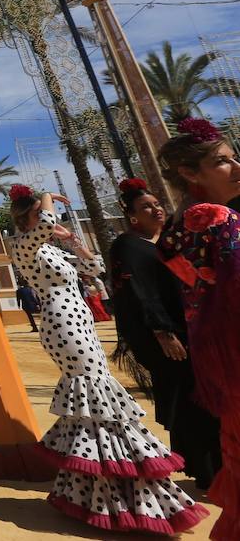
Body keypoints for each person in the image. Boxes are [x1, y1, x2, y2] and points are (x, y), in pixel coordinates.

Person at [6, 183, 203, 533]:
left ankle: (92, 489)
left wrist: (74, 243)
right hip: (63, 324)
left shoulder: (50, 249)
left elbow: (96, 269)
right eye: (39, 214)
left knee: (96, 404)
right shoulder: (23, 246)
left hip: (80, 322)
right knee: (97, 398)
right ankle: (112, 486)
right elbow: (48, 220)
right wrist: (48, 199)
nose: (49, 219)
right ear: (27, 219)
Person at [155, 119, 240, 539]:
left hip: (221, 362)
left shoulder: (174, 229)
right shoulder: (217, 217)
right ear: (190, 173)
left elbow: (194, 286)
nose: (237, 166)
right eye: (222, 161)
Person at [109, 176, 221, 494]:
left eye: (157, 204)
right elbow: (138, 290)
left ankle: (205, 466)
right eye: (147, 207)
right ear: (132, 216)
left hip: (189, 330)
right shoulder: (128, 246)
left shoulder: (165, 242)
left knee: (197, 398)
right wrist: (162, 331)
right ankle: (209, 471)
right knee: (190, 399)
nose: (156, 209)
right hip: (165, 336)